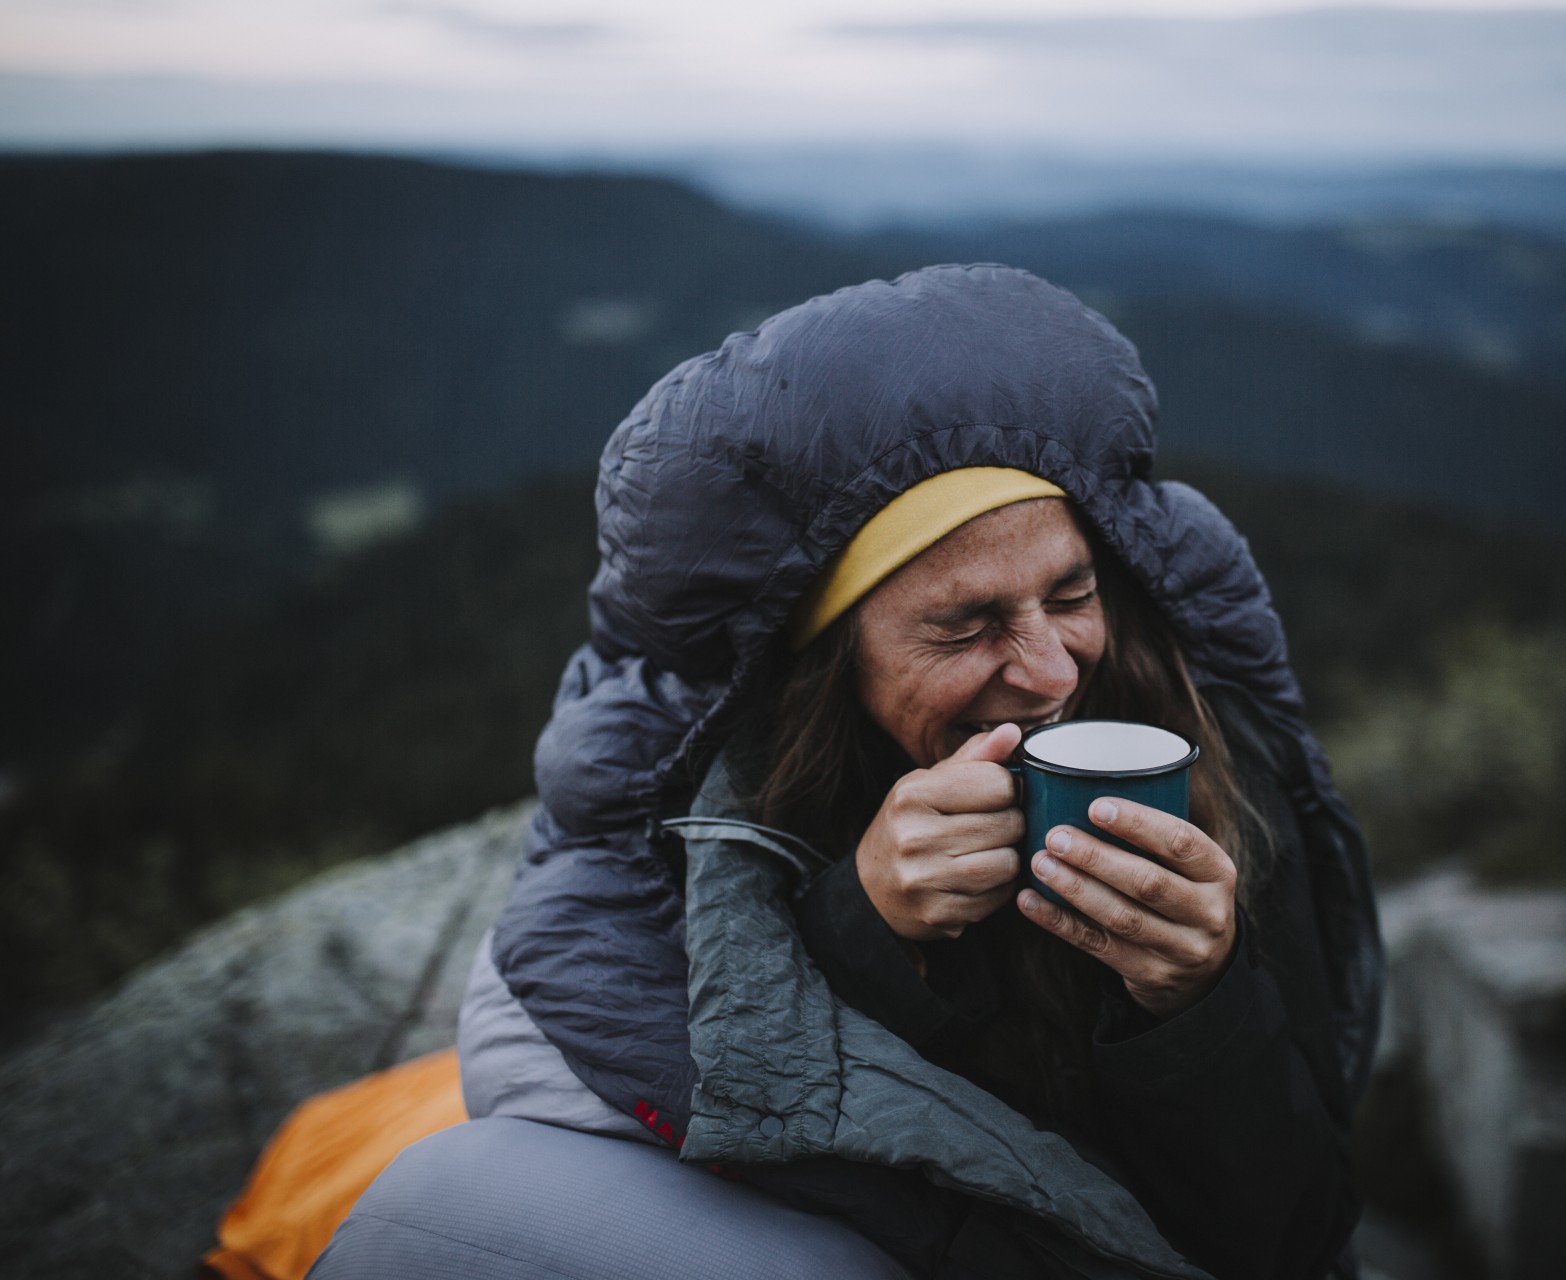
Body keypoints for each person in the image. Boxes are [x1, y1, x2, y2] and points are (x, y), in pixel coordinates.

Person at [313, 264, 1383, 1280]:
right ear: (834, 663)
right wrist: (866, 929)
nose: (1053, 671)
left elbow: (1293, 1237)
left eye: (1069, 593)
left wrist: (1196, 998)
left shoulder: (1222, 773)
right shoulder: (725, 815)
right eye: (965, 623)